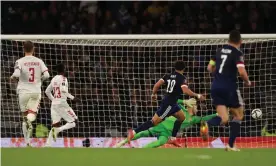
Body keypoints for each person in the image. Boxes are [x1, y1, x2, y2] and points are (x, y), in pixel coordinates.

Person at [127, 61, 205, 143]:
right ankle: (133, 132)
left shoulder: (168, 75)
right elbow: (185, 90)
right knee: (154, 122)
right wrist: (197, 95)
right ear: (184, 69)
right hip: (169, 105)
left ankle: (173, 138)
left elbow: (157, 85)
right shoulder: (182, 78)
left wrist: (153, 94)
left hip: (172, 103)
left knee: (181, 117)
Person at [205, 30, 252, 151]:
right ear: (240, 41)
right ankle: (230, 145)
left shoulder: (219, 51)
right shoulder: (237, 53)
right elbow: (241, 72)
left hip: (215, 87)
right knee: (239, 115)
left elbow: (209, 68)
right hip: (229, 88)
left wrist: (219, 75)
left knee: (224, 118)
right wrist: (247, 82)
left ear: (228, 40)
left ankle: (207, 124)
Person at [116, 98, 218, 148]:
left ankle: (141, 150)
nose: (197, 107)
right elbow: (174, 100)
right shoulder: (181, 109)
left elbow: (205, 118)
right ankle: (123, 142)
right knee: (143, 133)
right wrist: (184, 101)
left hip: (167, 134)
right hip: (161, 125)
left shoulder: (194, 119)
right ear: (190, 106)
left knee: (160, 142)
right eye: (195, 106)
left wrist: (217, 114)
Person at [10, 41, 50, 147]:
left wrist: (13, 76)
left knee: (24, 116)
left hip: (23, 91)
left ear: (24, 49)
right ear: (33, 49)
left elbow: (17, 73)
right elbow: (47, 75)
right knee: (32, 115)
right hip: (35, 91)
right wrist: (39, 80)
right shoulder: (39, 61)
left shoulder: (19, 61)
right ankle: (29, 120)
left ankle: (27, 142)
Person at [45, 63, 79, 147]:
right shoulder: (64, 78)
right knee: (74, 122)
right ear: (64, 70)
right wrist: (73, 98)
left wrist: (54, 100)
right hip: (62, 104)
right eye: (66, 68)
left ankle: (47, 145)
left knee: (55, 125)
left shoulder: (53, 79)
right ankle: (58, 130)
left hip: (54, 105)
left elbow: (47, 91)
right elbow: (63, 90)